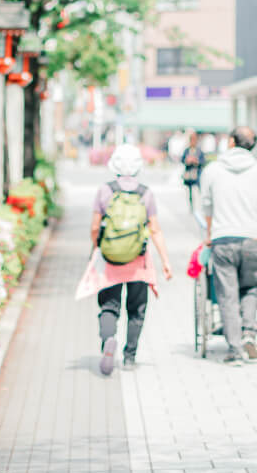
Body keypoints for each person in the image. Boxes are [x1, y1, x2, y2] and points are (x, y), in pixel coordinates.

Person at [88, 144, 171, 375]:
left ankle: (108, 341)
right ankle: (129, 357)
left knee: (109, 306)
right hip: (138, 260)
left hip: (111, 258)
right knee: (136, 309)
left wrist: (95, 249)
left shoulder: (105, 191)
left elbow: (95, 226)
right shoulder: (146, 193)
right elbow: (155, 230)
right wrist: (165, 261)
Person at [199, 125, 257, 365]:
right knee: (252, 287)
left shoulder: (213, 170)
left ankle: (234, 349)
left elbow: (206, 205)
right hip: (252, 237)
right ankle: (249, 334)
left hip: (222, 238)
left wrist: (210, 233)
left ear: (232, 142)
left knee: (227, 293)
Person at [180, 130, 205, 214]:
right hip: (189, 175)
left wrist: (196, 161)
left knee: (197, 192)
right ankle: (191, 207)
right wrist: (187, 160)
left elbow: (203, 161)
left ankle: (198, 207)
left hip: (196, 174)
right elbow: (182, 160)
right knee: (189, 193)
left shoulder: (199, 151)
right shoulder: (187, 150)